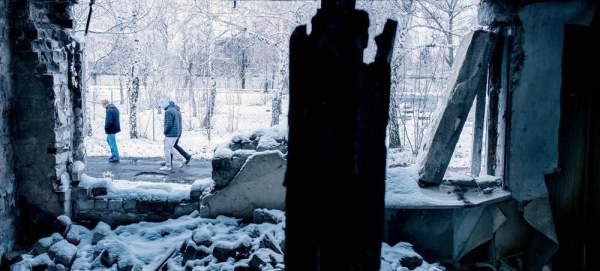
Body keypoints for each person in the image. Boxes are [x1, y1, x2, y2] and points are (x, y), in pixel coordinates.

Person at [161, 101, 192, 167]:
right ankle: (170, 161)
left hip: (175, 133)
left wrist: (166, 131)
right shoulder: (177, 111)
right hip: (177, 132)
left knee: (171, 146)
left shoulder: (174, 112)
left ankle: (185, 157)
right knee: (172, 146)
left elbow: (171, 124)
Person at [102, 99, 121, 163]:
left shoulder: (109, 111)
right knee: (109, 140)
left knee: (112, 143)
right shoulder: (115, 108)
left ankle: (116, 157)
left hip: (111, 129)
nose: (104, 107)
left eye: (103, 106)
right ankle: (114, 155)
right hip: (115, 128)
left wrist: (106, 127)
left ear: (105, 104)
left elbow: (109, 121)